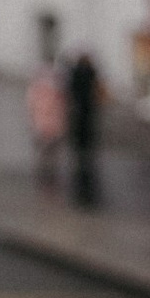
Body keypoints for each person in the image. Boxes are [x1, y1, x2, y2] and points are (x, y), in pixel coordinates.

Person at [64, 46, 103, 209]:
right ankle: (85, 156)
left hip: (81, 110)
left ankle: (82, 156)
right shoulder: (88, 72)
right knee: (85, 134)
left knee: (82, 135)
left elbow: (71, 89)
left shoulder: (77, 72)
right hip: (87, 110)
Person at [27, 57, 69, 194]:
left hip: (45, 126)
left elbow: (31, 106)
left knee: (47, 151)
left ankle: (47, 172)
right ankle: (48, 173)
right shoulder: (54, 91)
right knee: (49, 151)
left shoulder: (38, 90)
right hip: (49, 126)